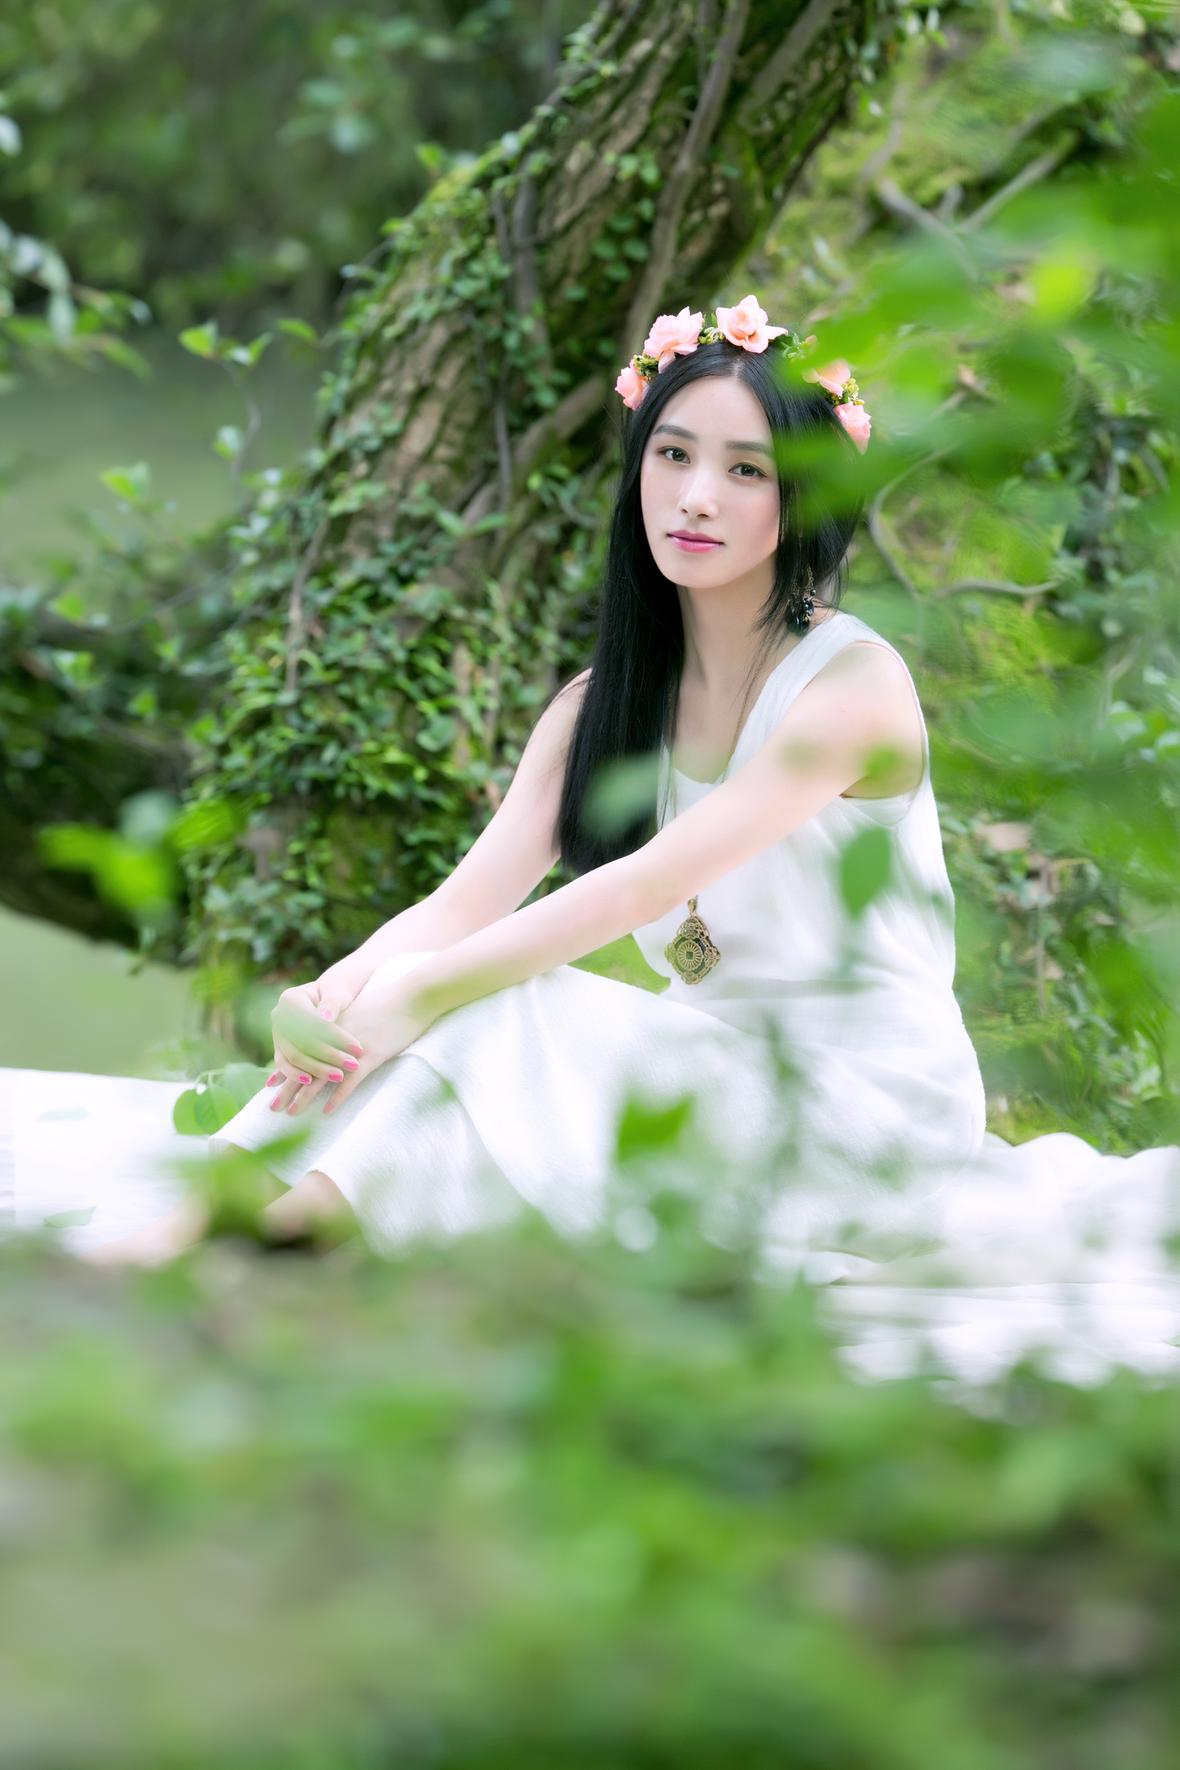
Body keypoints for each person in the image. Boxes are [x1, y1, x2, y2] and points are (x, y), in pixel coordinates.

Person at [5, 296, 1178, 1389]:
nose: (696, 497)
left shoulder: (850, 689)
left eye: (745, 469)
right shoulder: (597, 708)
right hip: (709, 1075)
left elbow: (640, 888)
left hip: (861, 1113)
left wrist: (423, 991)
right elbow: (463, 903)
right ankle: (216, 1218)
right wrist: (337, 988)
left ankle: (255, 1236)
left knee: (503, 1006)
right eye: (672, 456)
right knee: (449, 1019)